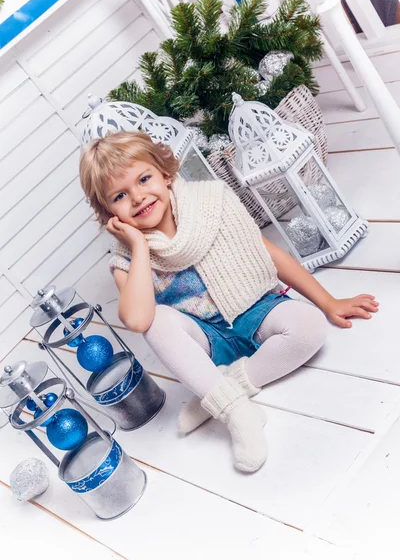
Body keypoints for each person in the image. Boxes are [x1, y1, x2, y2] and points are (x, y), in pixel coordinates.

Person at [79, 131, 379, 473]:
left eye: (144, 178)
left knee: (309, 328)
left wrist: (327, 302)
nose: (138, 197)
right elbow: (136, 319)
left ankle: (217, 393)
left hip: (256, 310)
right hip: (206, 340)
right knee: (157, 321)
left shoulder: (211, 201)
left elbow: (265, 252)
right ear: (108, 212)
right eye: (120, 195)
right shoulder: (125, 257)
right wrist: (139, 246)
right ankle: (238, 412)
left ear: (165, 173)